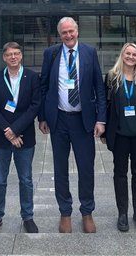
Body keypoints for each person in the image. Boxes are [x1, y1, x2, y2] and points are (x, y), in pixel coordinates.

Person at [38, 17, 106, 234]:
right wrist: (42, 117)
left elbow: (99, 87)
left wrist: (101, 119)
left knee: (86, 168)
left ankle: (87, 212)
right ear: (60, 35)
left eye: (71, 31)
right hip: (59, 120)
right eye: (64, 33)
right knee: (60, 169)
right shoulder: (51, 54)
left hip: (83, 121)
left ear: (77, 31)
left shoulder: (89, 52)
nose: (68, 35)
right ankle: (65, 212)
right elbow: (43, 86)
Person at [0, 42, 41, 234]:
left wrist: (15, 130)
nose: (13, 57)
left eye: (16, 53)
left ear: (21, 55)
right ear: (4, 57)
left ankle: (28, 217)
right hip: (2, 138)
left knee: (26, 179)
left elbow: (35, 106)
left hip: (25, 137)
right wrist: (8, 131)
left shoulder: (32, 77)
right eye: (9, 54)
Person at [103, 43, 136, 232]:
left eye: (134, 54)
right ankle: (122, 213)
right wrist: (104, 132)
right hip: (119, 135)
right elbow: (106, 105)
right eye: (128, 53)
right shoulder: (111, 77)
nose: (131, 57)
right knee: (120, 174)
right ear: (122, 55)